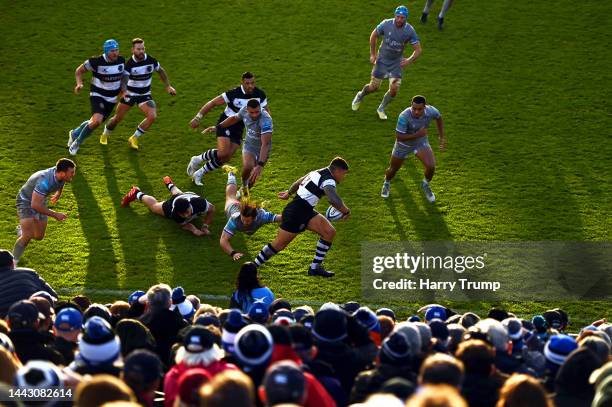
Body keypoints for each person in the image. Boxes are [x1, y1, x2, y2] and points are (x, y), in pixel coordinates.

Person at [252, 157, 351, 277]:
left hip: (306, 210)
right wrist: (345, 211)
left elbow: (299, 182)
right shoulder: (329, 180)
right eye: (344, 174)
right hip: (296, 213)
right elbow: (333, 199)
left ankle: (315, 268)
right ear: (338, 170)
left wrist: (289, 193)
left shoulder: (317, 172)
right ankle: (252, 267)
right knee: (278, 245)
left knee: (329, 232)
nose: (343, 177)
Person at [188, 71, 270, 184]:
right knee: (223, 153)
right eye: (247, 83)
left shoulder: (260, 94)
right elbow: (212, 103)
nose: (250, 86)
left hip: (239, 127)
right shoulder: (233, 93)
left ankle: (199, 172)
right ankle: (198, 159)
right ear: (242, 82)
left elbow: (266, 110)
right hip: (226, 122)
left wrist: (265, 126)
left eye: (252, 83)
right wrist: (198, 117)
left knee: (227, 157)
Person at [101, 38, 177, 150]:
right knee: (117, 118)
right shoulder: (129, 64)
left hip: (144, 95)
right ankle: (105, 134)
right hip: (130, 94)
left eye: (143, 48)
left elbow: (161, 70)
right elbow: (124, 80)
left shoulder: (151, 60)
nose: (141, 51)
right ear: (133, 50)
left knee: (152, 116)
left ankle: (134, 138)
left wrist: (168, 86)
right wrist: (124, 91)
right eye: (138, 49)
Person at [351, 5, 421, 120]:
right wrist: (373, 54)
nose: (399, 20)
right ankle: (360, 95)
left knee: (394, 90)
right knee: (374, 87)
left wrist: (409, 60)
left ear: (406, 18)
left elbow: (418, 49)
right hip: (382, 61)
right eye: (398, 17)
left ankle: (381, 108)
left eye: (402, 18)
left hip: (396, 63)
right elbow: (373, 36)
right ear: (394, 16)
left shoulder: (409, 31)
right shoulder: (386, 24)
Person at [381, 95, 445, 202]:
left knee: (431, 166)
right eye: (414, 108)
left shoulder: (431, 111)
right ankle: (386, 182)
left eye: (419, 109)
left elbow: (439, 117)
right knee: (393, 170)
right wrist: (418, 134)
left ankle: (425, 184)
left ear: (425, 107)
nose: (416, 112)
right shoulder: (404, 116)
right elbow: (399, 137)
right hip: (403, 145)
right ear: (411, 105)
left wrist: (441, 136)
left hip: (420, 142)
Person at [67, 39, 126, 155]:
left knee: (93, 122)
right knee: (97, 121)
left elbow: (124, 76)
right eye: (112, 51)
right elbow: (79, 71)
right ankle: (77, 143)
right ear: (106, 51)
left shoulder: (121, 61)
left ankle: (74, 133)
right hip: (98, 95)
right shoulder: (96, 62)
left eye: (117, 50)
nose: (115, 53)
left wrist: (124, 90)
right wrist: (79, 84)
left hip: (112, 98)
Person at [13, 158, 76, 264]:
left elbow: (61, 182)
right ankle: (13, 262)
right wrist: (55, 215)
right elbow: (34, 205)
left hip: (40, 200)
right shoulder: (44, 181)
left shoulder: (60, 175)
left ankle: (22, 230)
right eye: (72, 172)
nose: (73, 175)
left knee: (39, 236)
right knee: (27, 236)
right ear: (62, 173)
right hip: (25, 201)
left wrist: (58, 193)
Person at [199, 98, 273, 187]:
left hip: (262, 148)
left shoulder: (266, 120)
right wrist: (217, 127)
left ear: (260, 108)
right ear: (247, 110)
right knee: (248, 167)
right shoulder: (244, 110)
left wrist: (260, 165)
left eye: (257, 112)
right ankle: (244, 185)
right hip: (249, 146)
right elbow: (234, 118)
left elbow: (265, 144)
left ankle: (245, 191)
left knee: (254, 175)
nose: (254, 115)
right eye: (251, 112)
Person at [220, 165, 281, 260]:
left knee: (246, 196)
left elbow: (280, 217)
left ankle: (244, 188)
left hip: (253, 209)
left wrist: (296, 216)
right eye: (243, 220)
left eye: (247, 221)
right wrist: (233, 253)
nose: (244, 222)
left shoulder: (262, 216)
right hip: (232, 208)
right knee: (230, 196)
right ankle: (231, 173)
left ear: (254, 217)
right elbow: (223, 240)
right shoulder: (235, 219)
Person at [120, 176, 214, 237]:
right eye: (183, 214)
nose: (186, 216)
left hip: (188, 195)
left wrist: (205, 226)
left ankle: (170, 184)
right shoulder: (174, 214)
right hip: (175, 201)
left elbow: (212, 209)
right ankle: (137, 193)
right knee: (154, 207)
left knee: (178, 194)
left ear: (190, 206)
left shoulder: (200, 203)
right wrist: (193, 229)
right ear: (178, 212)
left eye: (187, 212)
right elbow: (184, 224)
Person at [0, 250, 58, 317]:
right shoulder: (29, 272)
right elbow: (52, 295)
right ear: (12, 263)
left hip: (6, 322)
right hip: (35, 317)